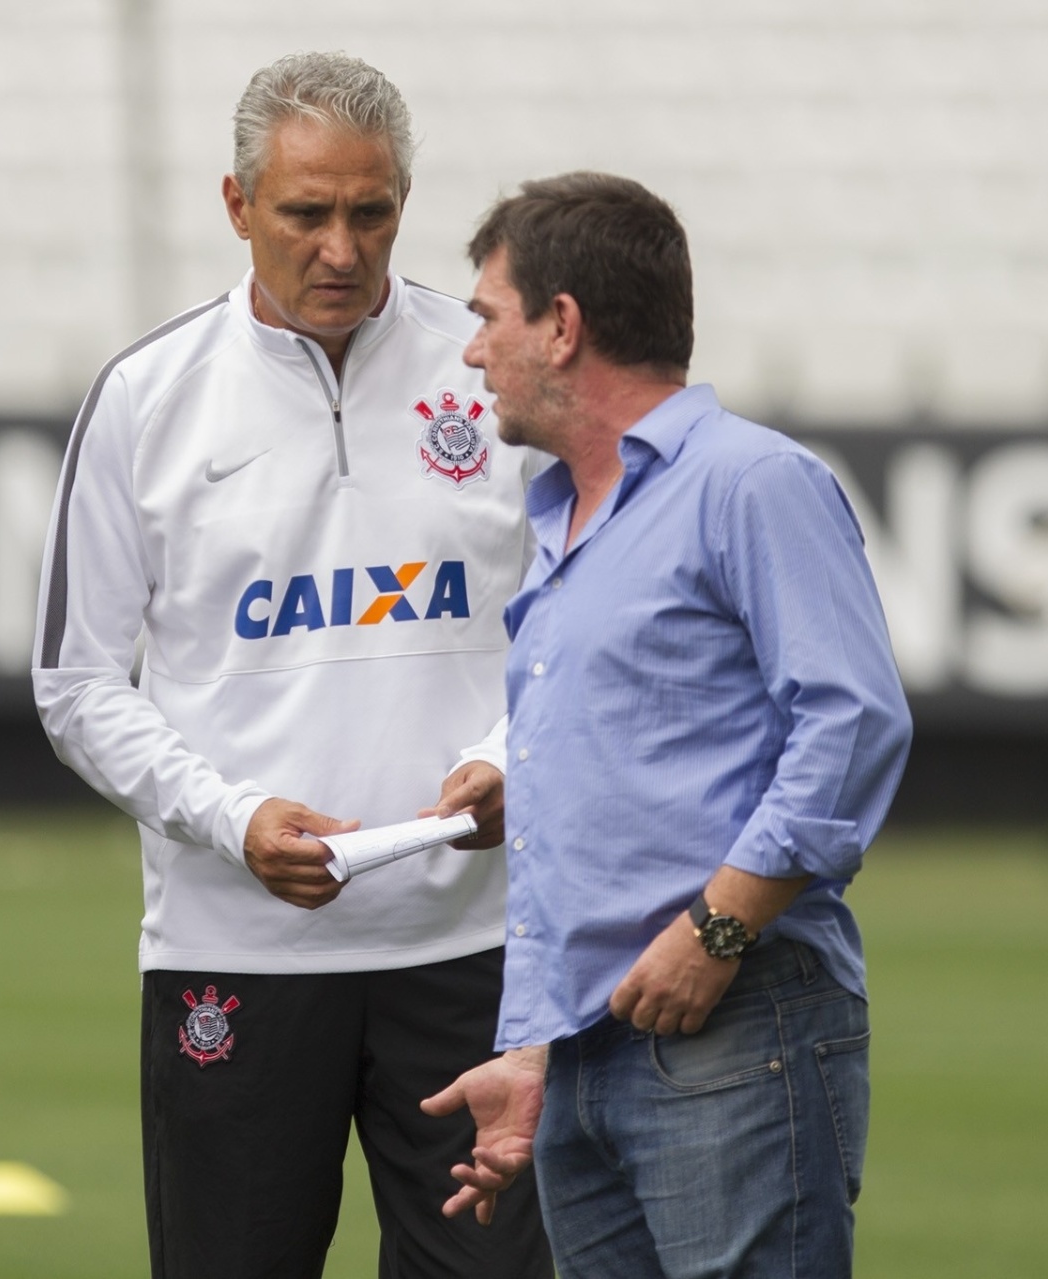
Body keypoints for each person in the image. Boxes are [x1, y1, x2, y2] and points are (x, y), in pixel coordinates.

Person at [33, 51, 554, 1279]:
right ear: (235, 206)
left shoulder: (491, 377)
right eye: (304, 213)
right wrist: (232, 817)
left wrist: (501, 761)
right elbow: (76, 682)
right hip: (236, 953)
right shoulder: (146, 398)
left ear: (404, 206)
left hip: (469, 951)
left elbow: (572, 633)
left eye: (370, 213)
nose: (341, 246)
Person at [421, 173, 912, 1277]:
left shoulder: (751, 481)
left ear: (561, 326)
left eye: (486, 317)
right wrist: (536, 1052)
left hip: (738, 1020)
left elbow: (853, 722)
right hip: (588, 1057)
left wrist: (718, 928)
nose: (469, 352)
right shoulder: (559, 513)